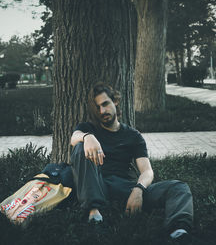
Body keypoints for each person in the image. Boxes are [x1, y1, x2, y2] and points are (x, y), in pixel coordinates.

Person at [70, 82, 193, 241]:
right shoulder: (88, 128)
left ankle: (179, 231)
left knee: (179, 187)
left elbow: (147, 171)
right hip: (96, 185)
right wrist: (87, 137)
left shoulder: (133, 136)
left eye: (105, 104)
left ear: (115, 101)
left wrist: (138, 190)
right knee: (80, 147)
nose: (102, 111)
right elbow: (74, 138)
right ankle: (94, 214)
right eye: (97, 108)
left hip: (125, 189)